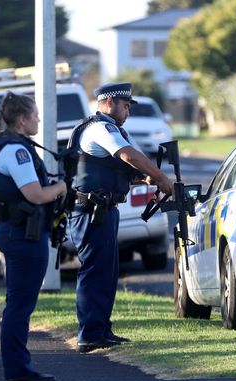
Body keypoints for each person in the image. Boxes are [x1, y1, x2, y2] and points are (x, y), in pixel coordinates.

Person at [68, 83, 174, 353]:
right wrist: (161, 178)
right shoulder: (101, 128)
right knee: (95, 272)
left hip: (103, 211)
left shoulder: (109, 129)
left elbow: (117, 166)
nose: (128, 111)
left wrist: (143, 177)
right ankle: (90, 334)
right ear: (109, 103)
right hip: (93, 212)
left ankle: (100, 330)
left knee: (106, 272)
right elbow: (128, 155)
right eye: (125, 106)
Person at [0, 92, 66, 381]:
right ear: (21, 118)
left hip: (16, 231)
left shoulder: (1, 146)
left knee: (17, 303)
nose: (39, 120)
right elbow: (35, 194)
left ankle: (18, 367)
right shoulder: (15, 150)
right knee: (19, 305)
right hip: (23, 234)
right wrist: (61, 188)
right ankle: (17, 370)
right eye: (35, 115)